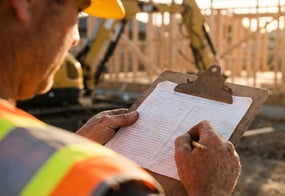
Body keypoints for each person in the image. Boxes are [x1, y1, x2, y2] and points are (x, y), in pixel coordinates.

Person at [0, 0, 241, 195]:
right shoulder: (110, 186)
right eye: (78, 10)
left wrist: (77, 146)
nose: (75, 37)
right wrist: (210, 190)